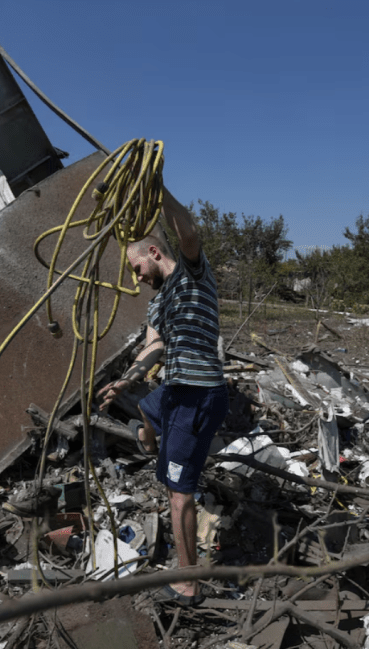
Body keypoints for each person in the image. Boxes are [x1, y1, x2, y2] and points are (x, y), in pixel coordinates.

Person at [98, 205, 228, 606]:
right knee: (146, 407)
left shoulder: (193, 273)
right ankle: (152, 441)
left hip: (197, 395)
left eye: (137, 269)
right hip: (173, 393)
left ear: (154, 254)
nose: (137, 279)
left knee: (178, 494)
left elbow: (187, 232)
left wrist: (160, 187)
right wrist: (128, 379)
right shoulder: (157, 305)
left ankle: (188, 584)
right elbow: (154, 346)